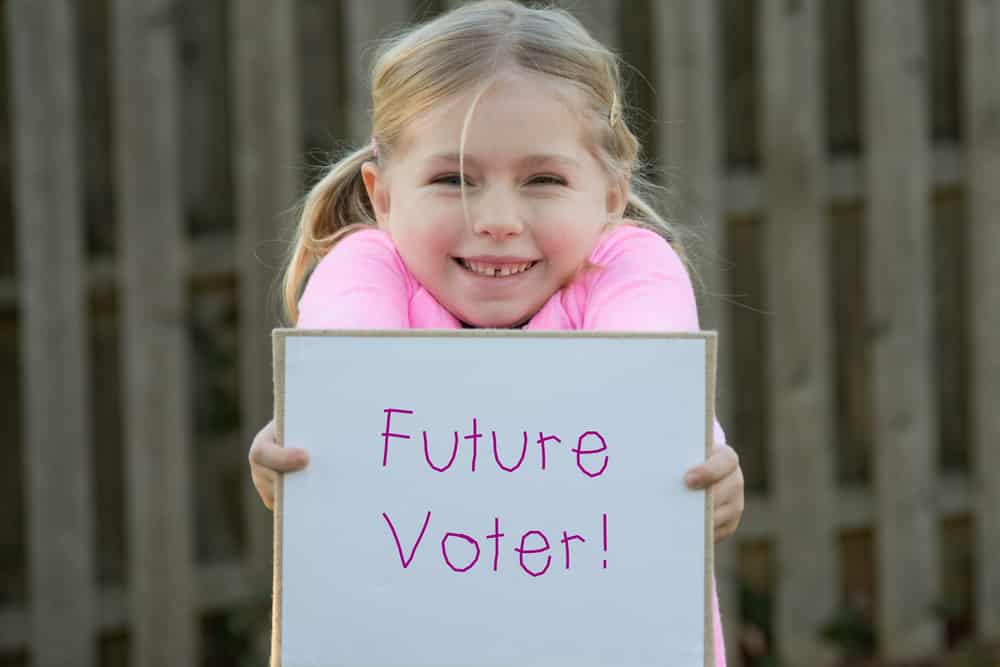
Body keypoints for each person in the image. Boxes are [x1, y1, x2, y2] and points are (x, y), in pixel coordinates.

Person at [248, 1, 743, 662]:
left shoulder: (630, 267)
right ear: (384, 194)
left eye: (543, 179)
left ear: (611, 194)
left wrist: (707, 464)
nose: (499, 218)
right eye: (453, 178)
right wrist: (295, 454)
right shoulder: (361, 272)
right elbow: (348, 404)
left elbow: (652, 398)